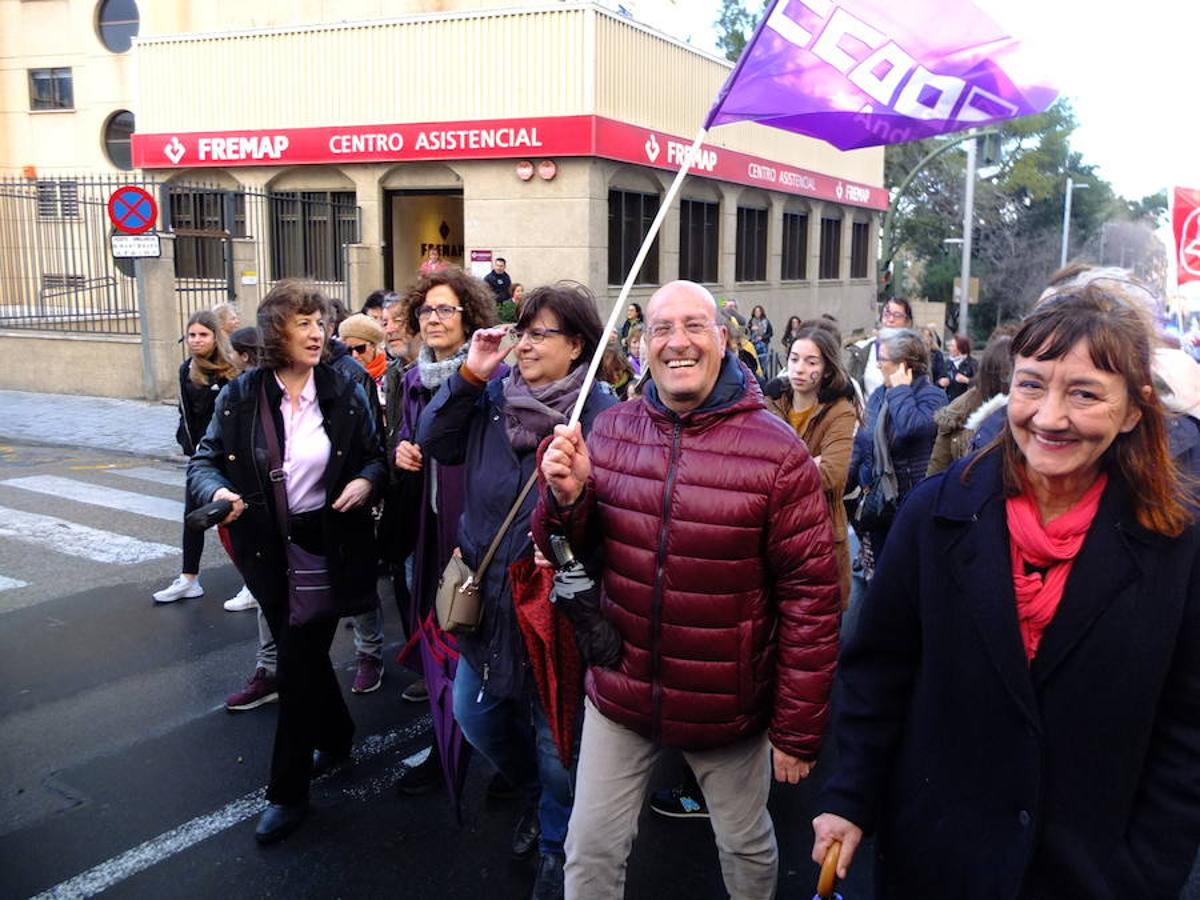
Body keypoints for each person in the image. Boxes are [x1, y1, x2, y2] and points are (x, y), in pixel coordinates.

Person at [812, 283, 1200, 898]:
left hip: (1089, 871)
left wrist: (1147, 870)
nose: (1049, 417)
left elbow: (1187, 725)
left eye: (1085, 393)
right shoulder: (935, 515)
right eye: (1031, 384)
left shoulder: (1176, 540)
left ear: (1133, 409)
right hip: (936, 858)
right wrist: (849, 795)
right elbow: (878, 673)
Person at [534, 280, 841, 900]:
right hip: (622, 685)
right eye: (661, 329)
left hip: (724, 702)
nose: (678, 341)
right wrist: (566, 500)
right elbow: (568, 550)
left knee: (746, 843)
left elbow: (811, 601)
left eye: (695, 326)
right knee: (587, 851)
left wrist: (796, 730)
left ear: (723, 342)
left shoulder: (777, 453)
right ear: (643, 346)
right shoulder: (612, 428)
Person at [418, 282, 618, 898]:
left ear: (577, 344)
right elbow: (433, 441)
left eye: (540, 333)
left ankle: (558, 844)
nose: (524, 344)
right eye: (521, 331)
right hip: (487, 599)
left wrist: (576, 502)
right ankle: (532, 796)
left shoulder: (605, 416)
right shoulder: (491, 402)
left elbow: (615, 519)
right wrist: (470, 378)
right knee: (474, 715)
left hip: (555, 609)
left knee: (557, 743)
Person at [188, 279, 386, 845]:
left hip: (327, 542)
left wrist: (365, 479)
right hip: (263, 545)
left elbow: (376, 454)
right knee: (303, 653)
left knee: (298, 663)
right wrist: (220, 494)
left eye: (320, 322)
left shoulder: (344, 387)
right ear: (276, 331)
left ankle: (287, 792)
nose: (318, 332)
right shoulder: (243, 393)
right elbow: (203, 461)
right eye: (303, 323)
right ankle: (340, 734)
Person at [388, 266, 499, 791]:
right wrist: (401, 453)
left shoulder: (493, 376)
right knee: (441, 642)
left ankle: (504, 757)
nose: (433, 319)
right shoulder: (412, 378)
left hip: (477, 533)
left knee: (489, 647)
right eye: (426, 310)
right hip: (429, 528)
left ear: (469, 316)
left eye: (445, 309)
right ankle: (444, 749)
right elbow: (403, 441)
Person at [768, 325, 862, 608]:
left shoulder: (840, 410)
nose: (799, 368)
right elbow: (751, 466)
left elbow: (831, 475)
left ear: (827, 368)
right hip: (774, 534)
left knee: (817, 628)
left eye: (811, 361)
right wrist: (810, 461)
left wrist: (776, 469)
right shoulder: (772, 403)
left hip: (819, 536)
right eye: (794, 358)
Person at [154, 310, 238, 604]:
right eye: (192, 335)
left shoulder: (232, 369)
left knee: (237, 520)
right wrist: (188, 445)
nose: (196, 340)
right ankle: (189, 579)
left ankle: (253, 583)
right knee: (193, 517)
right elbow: (186, 413)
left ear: (216, 337)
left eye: (203, 334)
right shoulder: (186, 369)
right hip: (202, 458)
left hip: (232, 457)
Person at [849, 328, 945, 582]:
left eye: (884, 361)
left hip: (914, 503)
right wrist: (853, 479)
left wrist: (900, 390)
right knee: (884, 577)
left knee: (911, 578)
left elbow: (910, 428)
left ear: (904, 365)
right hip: (882, 503)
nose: (879, 366)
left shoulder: (933, 396)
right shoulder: (880, 394)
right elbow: (864, 441)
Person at [927, 333, 1012, 476]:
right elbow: (936, 470)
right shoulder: (957, 412)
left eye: (953, 345)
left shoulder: (971, 363)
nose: (951, 348)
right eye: (950, 346)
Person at [847, 298, 912, 396]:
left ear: (907, 322)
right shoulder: (862, 351)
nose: (890, 320)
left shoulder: (915, 354)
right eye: (887, 314)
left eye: (897, 316)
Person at [338, 313, 387, 408]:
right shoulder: (340, 377)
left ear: (374, 346)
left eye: (360, 348)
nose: (354, 355)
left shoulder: (393, 375)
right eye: (349, 350)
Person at [943, 333, 977, 401]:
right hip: (949, 403)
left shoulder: (972, 363)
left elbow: (980, 384)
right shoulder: (948, 363)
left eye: (952, 346)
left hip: (966, 403)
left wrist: (967, 380)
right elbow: (938, 379)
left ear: (960, 348)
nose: (949, 348)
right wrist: (940, 382)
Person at [747, 304, 774, 369]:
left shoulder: (766, 321)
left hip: (763, 344)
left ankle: (765, 377)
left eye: (759, 311)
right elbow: (747, 332)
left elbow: (770, 333)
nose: (757, 313)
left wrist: (762, 337)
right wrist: (751, 328)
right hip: (753, 343)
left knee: (763, 363)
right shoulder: (751, 321)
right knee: (753, 362)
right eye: (756, 311)